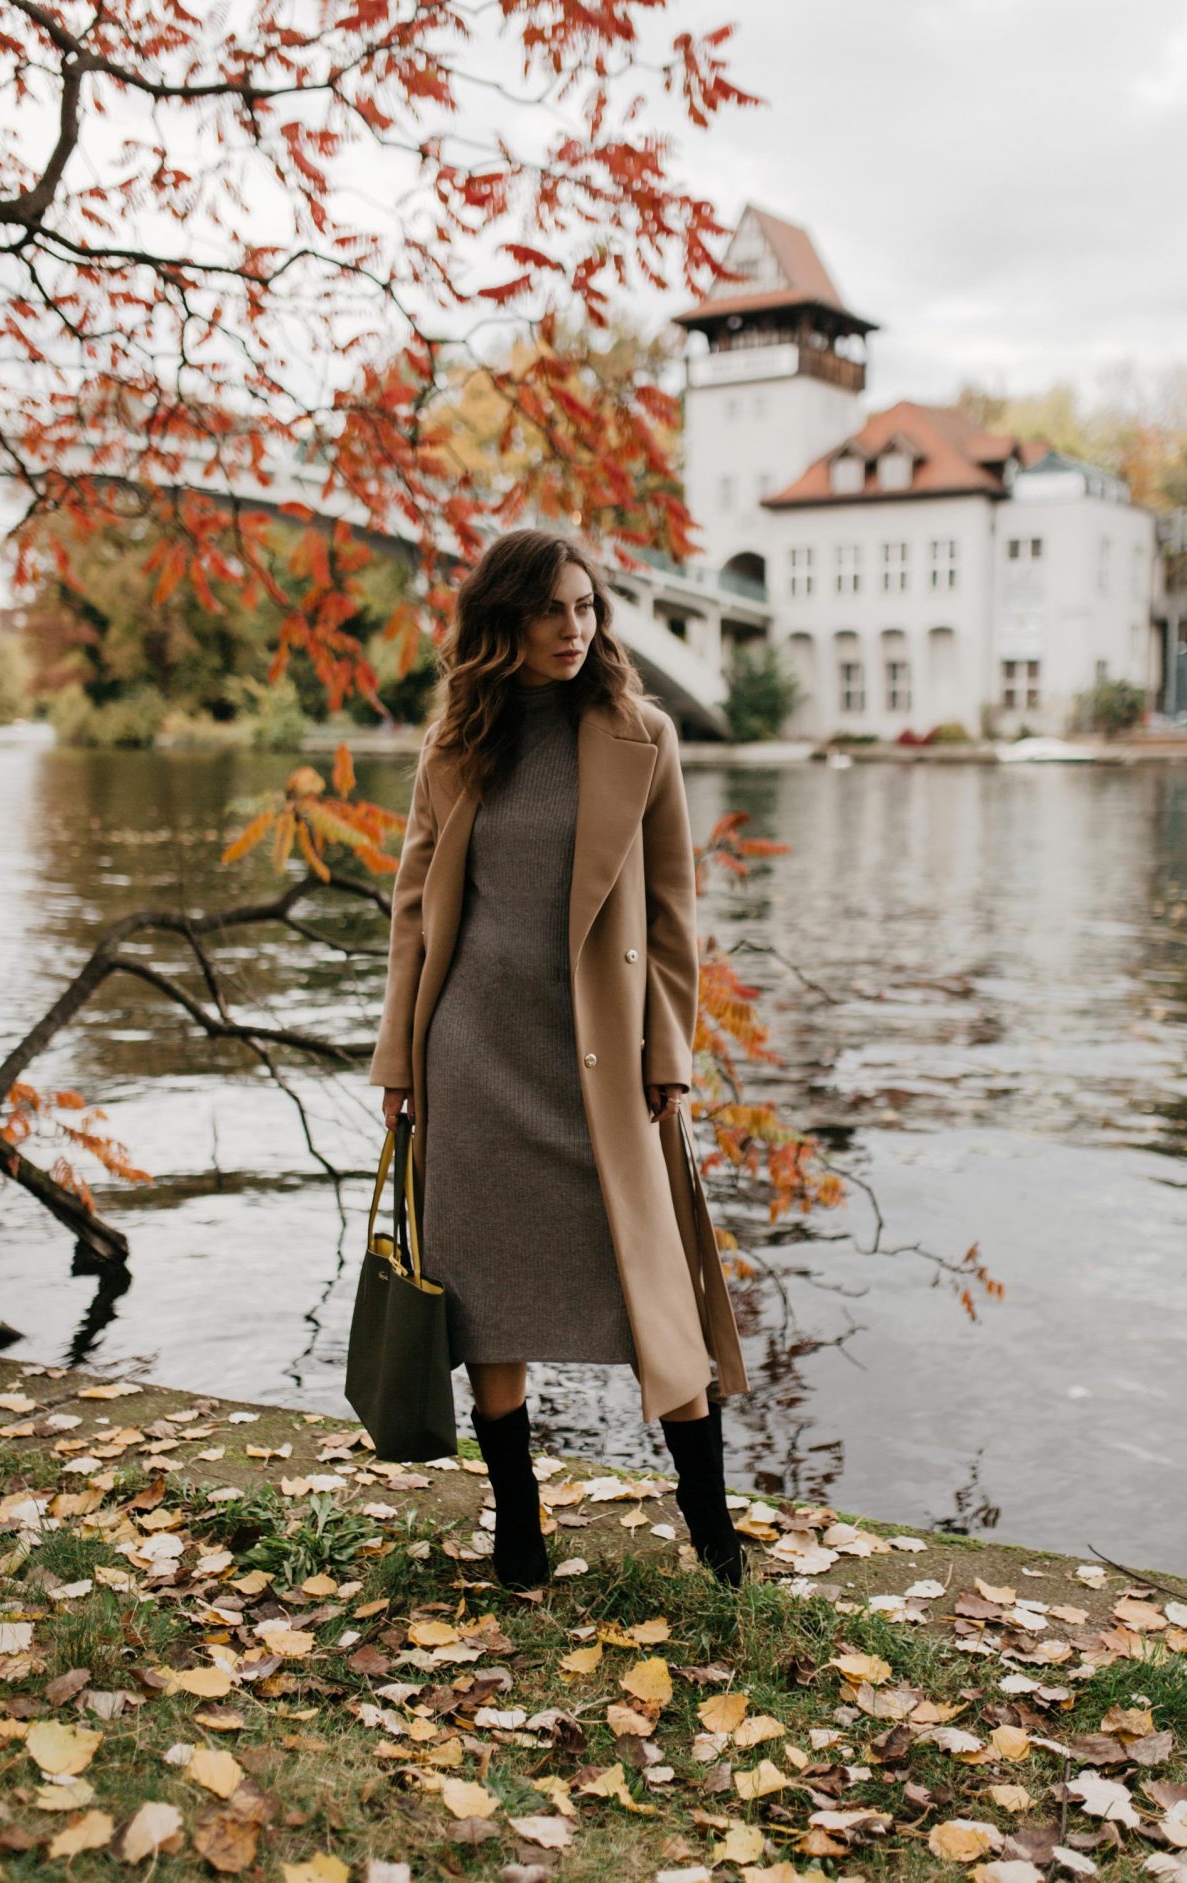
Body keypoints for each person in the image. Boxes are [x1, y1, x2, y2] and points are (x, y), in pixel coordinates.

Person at [368, 528, 750, 1588]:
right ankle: (519, 1529)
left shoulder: (643, 734)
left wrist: (668, 1047)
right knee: (484, 1292)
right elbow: (412, 911)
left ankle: (714, 1531)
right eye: (551, 611)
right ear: (503, 623)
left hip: (599, 1056)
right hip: (474, 1051)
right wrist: (398, 1054)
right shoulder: (454, 744)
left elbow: (673, 913)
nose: (574, 628)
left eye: (586, 608)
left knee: (653, 1293)